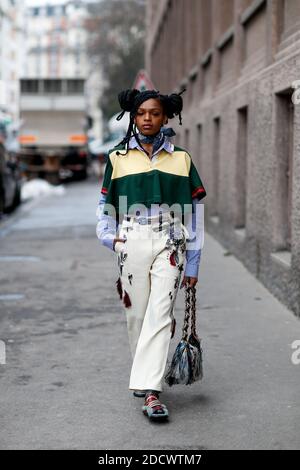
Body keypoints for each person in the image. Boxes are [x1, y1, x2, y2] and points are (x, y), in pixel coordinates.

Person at [96, 88, 206, 421]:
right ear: (133, 116)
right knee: (137, 315)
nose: (147, 118)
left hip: (171, 243)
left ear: (165, 117)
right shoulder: (117, 158)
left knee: (160, 313)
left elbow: (194, 215)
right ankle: (146, 377)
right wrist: (110, 240)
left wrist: (195, 262)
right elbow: (105, 209)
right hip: (130, 241)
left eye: (155, 113)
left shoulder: (181, 158)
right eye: (142, 112)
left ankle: (152, 393)